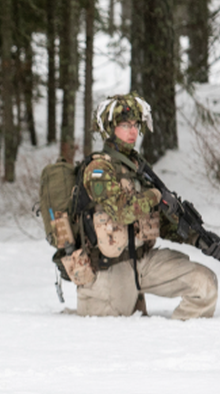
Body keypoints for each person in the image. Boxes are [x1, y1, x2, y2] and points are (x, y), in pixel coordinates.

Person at [62, 92, 218, 320]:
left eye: (135, 125)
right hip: (108, 272)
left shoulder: (138, 168)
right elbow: (122, 211)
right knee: (113, 341)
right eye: (125, 125)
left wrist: (197, 238)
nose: (133, 131)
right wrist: (155, 195)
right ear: (109, 128)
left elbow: (158, 221)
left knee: (204, 285)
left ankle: (178, 347)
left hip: (143, 262)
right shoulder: (98, 169)